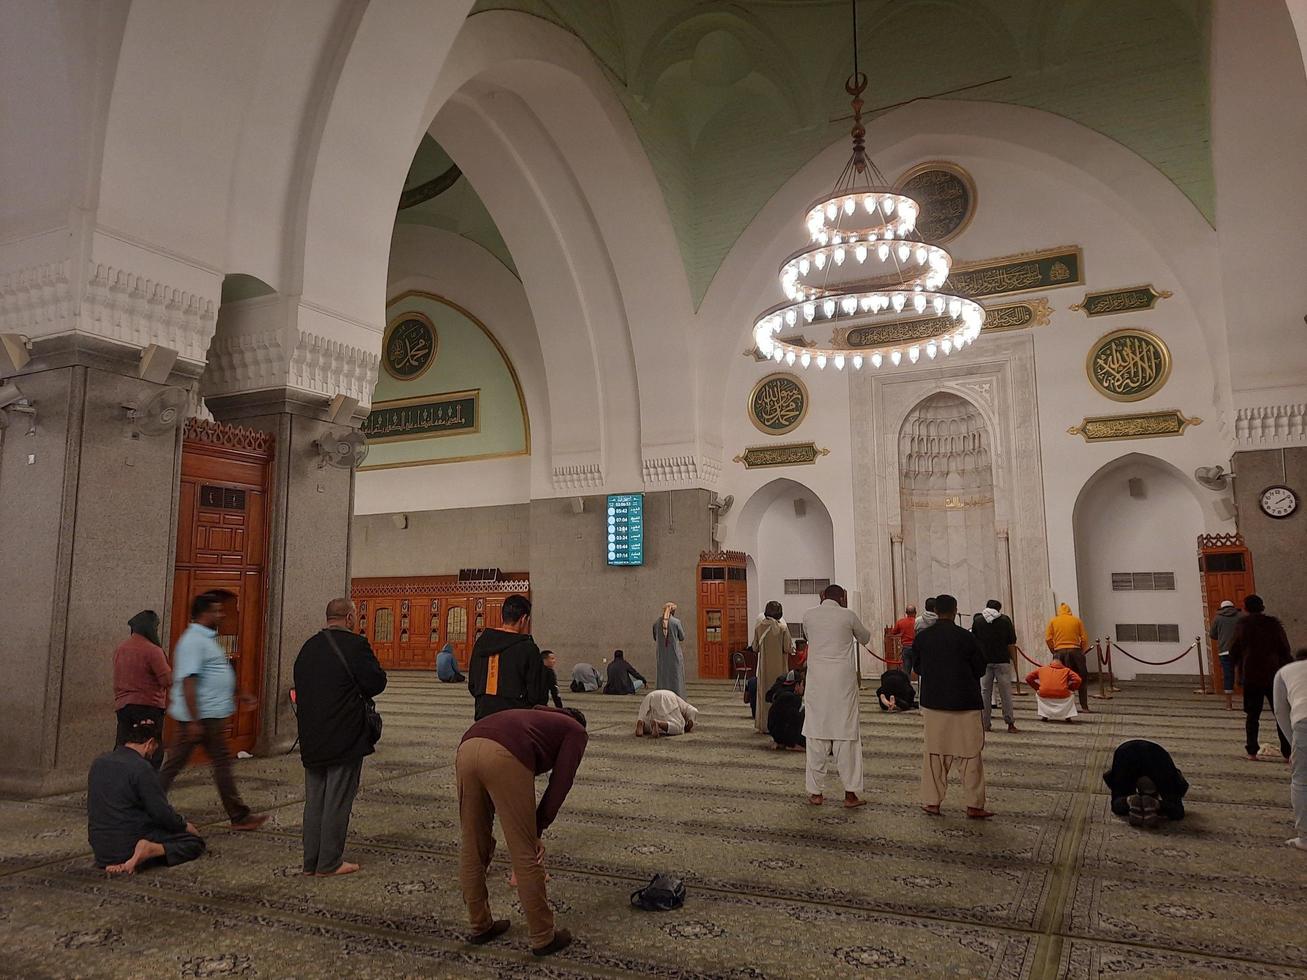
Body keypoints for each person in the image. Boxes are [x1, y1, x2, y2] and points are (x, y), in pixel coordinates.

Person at [456, 705, 587, 956]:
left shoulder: (537, 715)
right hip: (504, 754)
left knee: (472, 843)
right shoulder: (576, 731)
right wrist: (537, 827)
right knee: (524, 848)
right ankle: (542, 936)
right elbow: (561, 782)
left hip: (467, 746)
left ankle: (480, 924)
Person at [292, 598, 388, 877]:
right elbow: (376, 682)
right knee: (337, 798)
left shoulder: (308, 647)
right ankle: (330, 861)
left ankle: (311, 861)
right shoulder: (355, 645)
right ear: (348, 618)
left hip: (311, 734)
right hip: (344, 733)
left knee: (315, 799)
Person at [159, 592, 266, 831]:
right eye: (216, 610)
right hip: (198, 717)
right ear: (204, 613)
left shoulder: (206, 640)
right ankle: (146, 807)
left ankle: (239, 815)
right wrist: (195, 720)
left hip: (209, 715)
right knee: (175, 766)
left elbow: (216, 672)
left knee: (219, 764)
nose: (221, 614)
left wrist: (239, 693)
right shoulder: (192, 641)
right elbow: (188, 681)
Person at [88, 717, 205, 874]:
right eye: (154, 748)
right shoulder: (141, 768)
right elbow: (160, 812)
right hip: (128, 844)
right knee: (194, 843)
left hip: (101, 849)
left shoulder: (99, 762)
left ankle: (125, 860)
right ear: (149, 743)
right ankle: (148, 849)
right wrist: (184, 825)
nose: (153, 753)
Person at [914, 594, 991, 819]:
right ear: (955, 611)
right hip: (965, 703)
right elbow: (980, 668)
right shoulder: (966, 638)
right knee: (970, 755)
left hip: (934, 703)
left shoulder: (923, 638)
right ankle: (974, 805)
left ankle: (932, 802)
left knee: (935, 755)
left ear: (936, 611)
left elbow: (918, 668)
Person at [801, 584, 872, 808]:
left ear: (822, 596)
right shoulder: (848, 615)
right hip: (842, 683)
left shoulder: (808, 616)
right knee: (846, 736)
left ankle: (815, 793)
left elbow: (809, 636)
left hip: (817, 682)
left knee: (816, 734)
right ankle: (850, 794)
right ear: (842, 598)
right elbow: (866, 637)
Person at [1229, 594, 1292, 761]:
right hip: (1273, 675)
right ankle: (1288, 752)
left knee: (1252, 715)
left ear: (1246, 608)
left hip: (1251, 676)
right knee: (1280, 714)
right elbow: (1285, 649)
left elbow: (1233, 650)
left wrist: (1238, 666)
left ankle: (1252, 750)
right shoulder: (1273, 625)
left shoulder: (1242, 625)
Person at [467, 594, 547, 720]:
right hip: (515, 720)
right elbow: (537, 695)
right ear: (524, 619)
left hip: (483, 716)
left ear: (502, 616)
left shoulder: (481, 643)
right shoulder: (528, 648)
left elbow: (472, 685)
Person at [112, 609, 172, 769]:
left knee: (124, 748)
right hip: (148, 707)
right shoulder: (153, 651)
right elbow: (166, 680)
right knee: (151, 751)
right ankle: (146, 786)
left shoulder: (121, 648)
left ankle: (122, 783)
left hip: (123, 707)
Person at [1102, 739, 1189, 827]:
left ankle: (1129, 800)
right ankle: (1154, 803)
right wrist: (1159, 805)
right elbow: (1178, 812)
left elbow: (1115, 804)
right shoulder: (1168, 772)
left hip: (1126, 752)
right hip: (1157, 758)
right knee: (1176, 809)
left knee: (1117, 804)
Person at [1273, 648, 1307, 850]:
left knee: (1301, 781)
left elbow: (1279, 710)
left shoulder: (1286, 671)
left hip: (1304, 722)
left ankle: (1305, 838)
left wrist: (1292, 742)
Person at [973, 600, 1019, 734]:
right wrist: (1014, 661)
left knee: (984, 693)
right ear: (999, 609)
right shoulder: (1005, 620)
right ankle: (1010, 723)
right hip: (1002, 660)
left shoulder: (978, 621)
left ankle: (985, 723)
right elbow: (1012, 641)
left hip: (984, 661)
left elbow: (974, 640)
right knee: (1005, 693)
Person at [753, 602, 794, 735]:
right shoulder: (782, 628)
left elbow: (754, 648)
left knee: (764, 697)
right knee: (779, 696)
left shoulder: (759, 627)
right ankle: (779, 725)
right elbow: (788, 648)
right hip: (779, 669)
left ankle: (764, 725)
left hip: (764, 670)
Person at [1045, 602, 1091, 713]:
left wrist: (1054, 650)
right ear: (1070, 611)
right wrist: (1081, 651)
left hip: (1059, 652)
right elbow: (1084, 638)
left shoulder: (1053, 621)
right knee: (1081, 678)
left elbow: (1048, 638)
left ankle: (1063, 707)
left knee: (1060, 680)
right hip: (1075, 651)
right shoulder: (1076, 620)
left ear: (1059, 612)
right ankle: (1084, 706)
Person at [1024, 653, 1083, 722]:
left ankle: (1044, 715)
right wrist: (1071, 688)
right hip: (1063, 694)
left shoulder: (1041, 669)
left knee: (1038, 694)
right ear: (1062, 662)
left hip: (1044, 694)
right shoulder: (1067, 670)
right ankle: (1068, 716)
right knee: (1071, 695)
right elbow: (1078, 680)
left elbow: (1028, 678)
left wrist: (1038, 688)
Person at [1209, 600, 1243, 710]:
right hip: (1240, 651)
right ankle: (1246, 700)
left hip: (1224, 651)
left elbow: (1212, 634)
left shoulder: (1218, 618)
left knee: (1228, 675)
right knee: (1243, 673)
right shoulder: (1240, 616)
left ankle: (1229, 704)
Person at [652, 602, 686, 697]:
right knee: (676, 678)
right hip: (674, 655)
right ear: (673, 611)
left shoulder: (656, 623)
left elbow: (655, 637)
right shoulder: (676, 622)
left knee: (662, 677)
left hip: (661, 655)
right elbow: (682, 637)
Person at [767, 669, 806, 750]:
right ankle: (791, 744)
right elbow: (795, 721)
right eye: (802, 685)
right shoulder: (793, 698)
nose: (803, 688)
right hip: (783, 735)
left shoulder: (780, 693)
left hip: (775, 734)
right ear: (797, 685)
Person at [892, 604, 918, 678]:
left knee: (906, 671)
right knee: (919, 670)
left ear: (906, 613)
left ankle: (906, 687)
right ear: (915, 612)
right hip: (916, 648)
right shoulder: (917, 622)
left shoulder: (901, 622)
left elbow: (894, 632)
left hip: (906, 648)